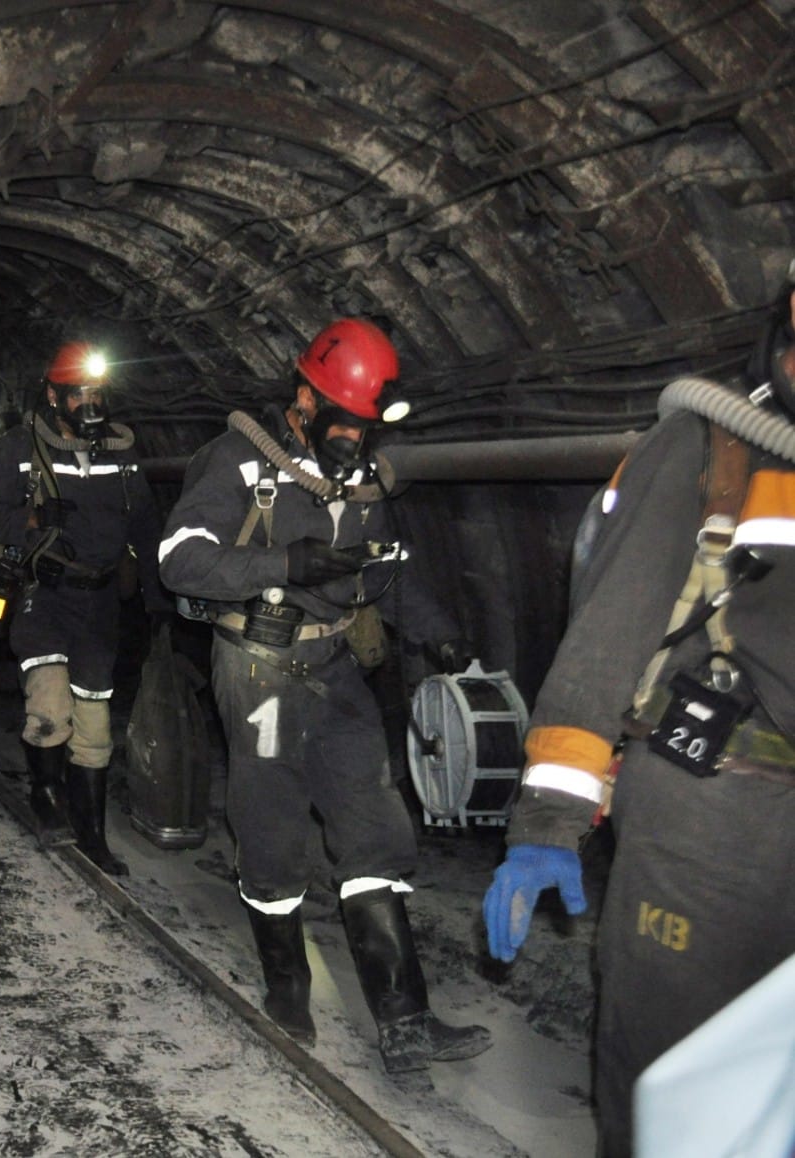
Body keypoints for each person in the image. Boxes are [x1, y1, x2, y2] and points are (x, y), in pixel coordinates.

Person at [484, 281, 795, 1155]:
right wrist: (550, 821)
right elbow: (605, 637)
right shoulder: (714, 444)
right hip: (714, 813)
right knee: (679, 1087)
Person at [157, 317, 489, 1073]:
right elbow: (180, 562)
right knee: (271, 825)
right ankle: (287, 990)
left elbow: (384, 571)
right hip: (261, 671)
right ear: (303, 397)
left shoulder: (363, 478)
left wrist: (438, 636)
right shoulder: (237, 461)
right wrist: (284, 562)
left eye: (366, 426)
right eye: (343, 421)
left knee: (372, 821)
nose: (355, 439)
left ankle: (405, 1021)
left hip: (335, 667)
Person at [0, 341, 169, 875]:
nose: (89, 403)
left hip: (99, 603)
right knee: (51, 709)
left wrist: (157, 596)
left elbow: (146, 528)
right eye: (78, 394)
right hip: (41, 596)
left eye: (97, 393)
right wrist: (25, 523)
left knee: (95, 727)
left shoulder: (121, 455)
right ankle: (47, 796)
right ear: (54, 395)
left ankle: (93, 834)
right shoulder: (19, 448)